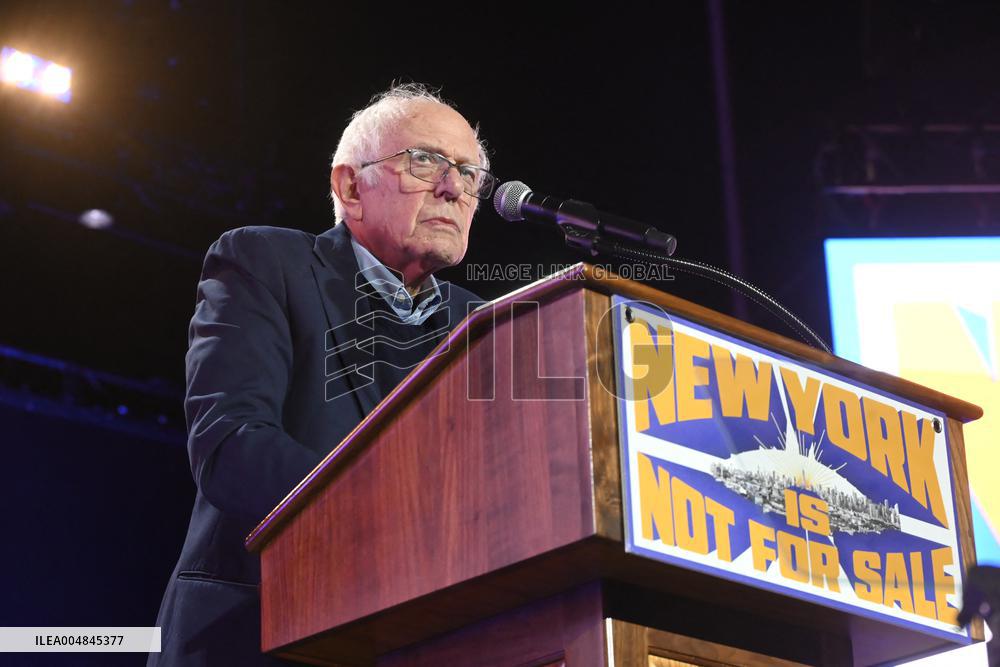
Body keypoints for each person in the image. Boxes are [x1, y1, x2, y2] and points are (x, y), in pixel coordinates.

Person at [149, 83, 494, 666]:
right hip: (258, 633)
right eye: (426, 160)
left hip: (425, 641)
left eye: (469, 172)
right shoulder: (266, 264)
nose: (453, 187)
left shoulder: (485, 324)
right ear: (350, 186)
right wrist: (402, 519)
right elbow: (231, 446)